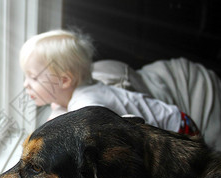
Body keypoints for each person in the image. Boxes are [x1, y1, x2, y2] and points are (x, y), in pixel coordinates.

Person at [19, 29, 200, 135]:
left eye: (34, 78)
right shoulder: (70, 94)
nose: (26, 84)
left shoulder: (87, 104)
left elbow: (107, 135)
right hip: (178, 119)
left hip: (179, 129)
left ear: (65, 80)